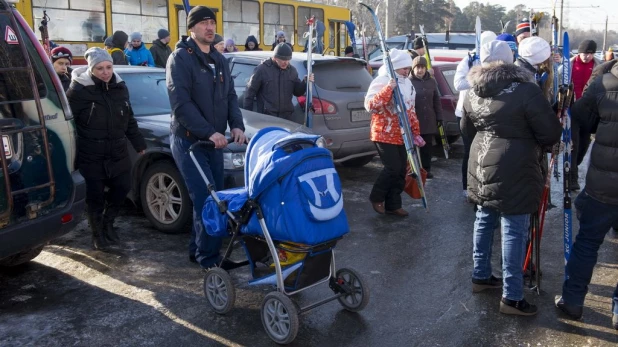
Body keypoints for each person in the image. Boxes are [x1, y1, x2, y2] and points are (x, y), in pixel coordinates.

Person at [462, 41, 562, 316]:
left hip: (480, 160)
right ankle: (512, 296)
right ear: (509, 61)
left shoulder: (472, 91)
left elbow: (465, 128)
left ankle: (480, 275)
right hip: (514, 164)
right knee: (512, 228)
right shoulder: (525, 90)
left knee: (484, 217)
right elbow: (550, 132)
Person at [166, 6, 246, 269]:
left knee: (213, 196)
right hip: (190, 141)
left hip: (215, 142)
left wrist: (236, 125)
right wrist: (208, 132)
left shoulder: (219, 59)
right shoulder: (180, 58)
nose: (209, 27)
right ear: (192, 28)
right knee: (209, 201)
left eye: (212, 22)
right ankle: (211, 261)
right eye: (203, 23)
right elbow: (182, 104)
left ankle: (198, 250)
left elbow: (231, 97)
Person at [554, 61, 618, 330]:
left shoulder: (605, 84)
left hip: (603, 186)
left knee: (587, 243)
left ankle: (572, 301)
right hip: (602, 184)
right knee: (588, 242)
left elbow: (579, 115)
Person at [67, 48, 146, 251]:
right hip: (91, 152)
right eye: (100, 68)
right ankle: (97, 235)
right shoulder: (78, 91)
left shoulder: (120, 87)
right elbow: (68, 123)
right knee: (95, 197)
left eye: (108, 67)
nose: (105, 72)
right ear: (91, 69)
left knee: (122, 187)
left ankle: (108, 223)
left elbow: (129, 117)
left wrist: (138, 144)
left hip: (117, 150)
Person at [365, 49, 425, 217]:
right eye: (403, 68)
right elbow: (371, 105)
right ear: (395, 67)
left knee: (401, 171)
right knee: (392, 168)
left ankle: (393, 204)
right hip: (383, 132)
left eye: (408, 68)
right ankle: (376, 197)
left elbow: (410, 109)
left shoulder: (407, 83)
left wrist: (415, 132)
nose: (407, 71)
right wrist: (388, 89)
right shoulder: (383, 80)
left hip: (402, 134)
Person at [453, 30, 496, 199]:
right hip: (467, 113)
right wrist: (480, 78)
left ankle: (483, 186)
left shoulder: (495, 61)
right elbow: (458, 84)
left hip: (488, 112)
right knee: (470, 151)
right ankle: (467, 187)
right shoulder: (469, 60)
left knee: (487, 152)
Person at [562, 40, 602, 190]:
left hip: (589, 112)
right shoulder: (568, 66)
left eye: (590, 53)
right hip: (572, 111)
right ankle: (572, 178)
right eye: (585, 53)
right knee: (573, 145)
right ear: (579, 52)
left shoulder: (599, 66)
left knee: (584, 145)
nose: (587, 56)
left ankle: (574, 166)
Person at [243, 43, 314, 123]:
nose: (286, 63)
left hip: (287, 118)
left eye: (288, 60)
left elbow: (297, 92)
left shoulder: (292, 71)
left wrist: (305, 82)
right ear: (275, 58)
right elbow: (250, 93)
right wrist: (248, 115)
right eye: (283, 60)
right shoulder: (262, 70)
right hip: (267, 118)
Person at [409, 56, 442, 179]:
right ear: (413, 68)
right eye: (418, 67)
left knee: (427, 147)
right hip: (414, 120)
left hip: (429, 119)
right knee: (413, 146)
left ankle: (426, 169)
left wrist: (439, 117)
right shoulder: (409, 81)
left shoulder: (432, 81)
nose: (420, 70)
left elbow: (436, 100)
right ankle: (414, 169)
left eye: (422, 67)